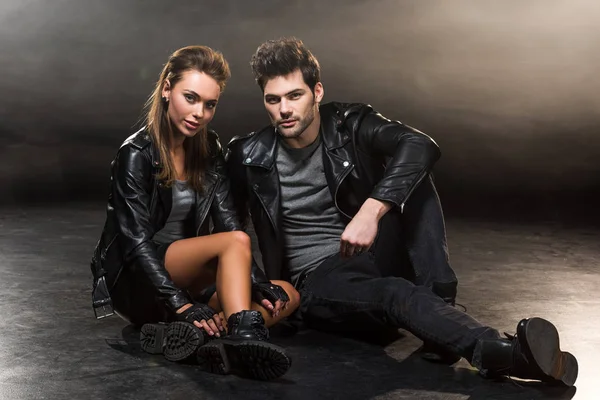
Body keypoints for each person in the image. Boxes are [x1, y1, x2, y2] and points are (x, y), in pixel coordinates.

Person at [224, 37, 579, 386]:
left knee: (414, 175)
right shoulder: (248, 154)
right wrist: (257, 287)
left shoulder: (350, 122)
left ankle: (441, 305)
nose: (284, 109)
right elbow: (228, 229)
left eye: (294, 95)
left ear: (317, 92)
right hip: (320, 280)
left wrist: (370, 210)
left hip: (371, 247)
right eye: (273, 100)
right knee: (395, 293)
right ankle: (506, 355)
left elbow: (421, 144)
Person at [90, 45, 299, 381]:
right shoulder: (136, 154)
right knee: (235, 243)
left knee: (286, 294)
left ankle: (201, 336)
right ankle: (239, 342)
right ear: (167, 89)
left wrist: (257, 282)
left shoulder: (209, 147)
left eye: (209, 104)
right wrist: (182, 304)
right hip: (140, 282)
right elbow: (135, 243)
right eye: (191, 98)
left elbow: (227, 219)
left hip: (187, 280)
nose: (199, 112)